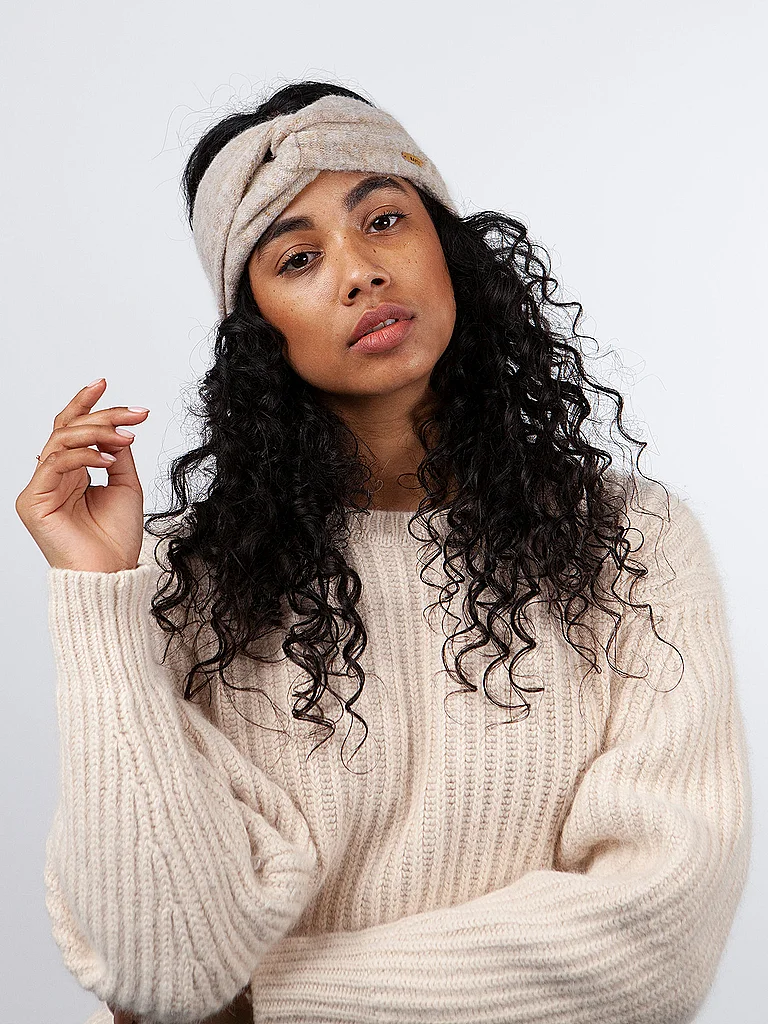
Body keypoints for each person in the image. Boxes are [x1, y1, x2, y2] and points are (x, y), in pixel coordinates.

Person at [15, 80, 752, 1024]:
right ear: (257, 330)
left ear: (448, 250)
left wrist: (266, 1003)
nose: (360, 271)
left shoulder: (632, 544)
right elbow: (160, 972)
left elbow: (658, 942)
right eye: (298, 257)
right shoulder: (183, 588)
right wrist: (97, 597)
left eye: (384, 219)